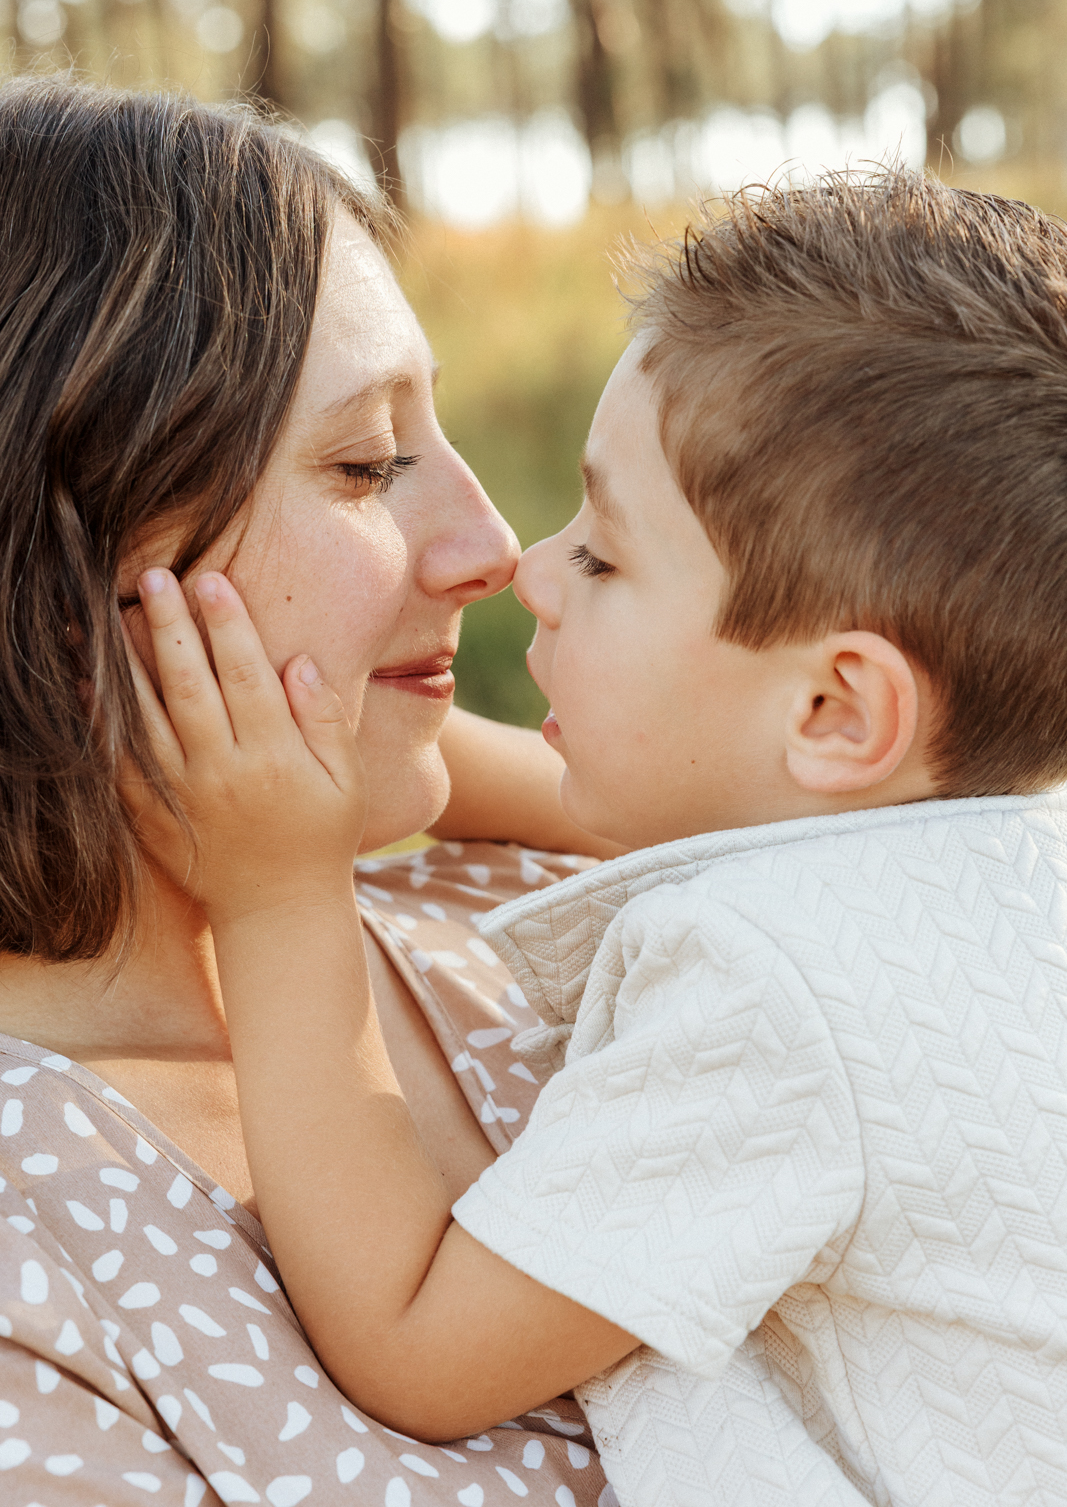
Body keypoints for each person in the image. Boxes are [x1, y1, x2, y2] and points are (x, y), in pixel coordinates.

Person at [131, 169, 1067, 1507]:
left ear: (836, 706)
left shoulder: (774, 1002)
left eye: (609, 559)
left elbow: (417, 1341)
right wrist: (323, 724)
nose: (527, 567)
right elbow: (594, 805)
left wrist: (280, 892)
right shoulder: (964, 855)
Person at [0, 75, 629, 1506]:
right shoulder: (35, 1251)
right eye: (365, 464)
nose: (490, 544)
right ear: (57, 563)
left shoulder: (537, 913)